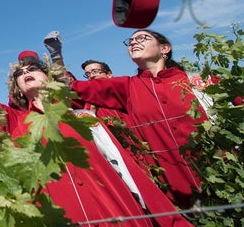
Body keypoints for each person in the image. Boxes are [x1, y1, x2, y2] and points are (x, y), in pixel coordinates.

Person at [0, 40, 190, 226]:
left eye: (33, 69)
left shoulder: (82, 119)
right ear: (17, 89)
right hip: (61, 217)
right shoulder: (15, 123)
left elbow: (124, 169)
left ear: (50, 77)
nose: (26, 72)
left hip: (112, 212)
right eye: (20, 73)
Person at [70, 29, 211, 208]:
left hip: (217, 178)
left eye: (142, 38)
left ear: (164, 48)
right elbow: (74, 88)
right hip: (168, 192)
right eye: (131, 40)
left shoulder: (196, 82)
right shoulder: (127, 87)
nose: (133, 42)